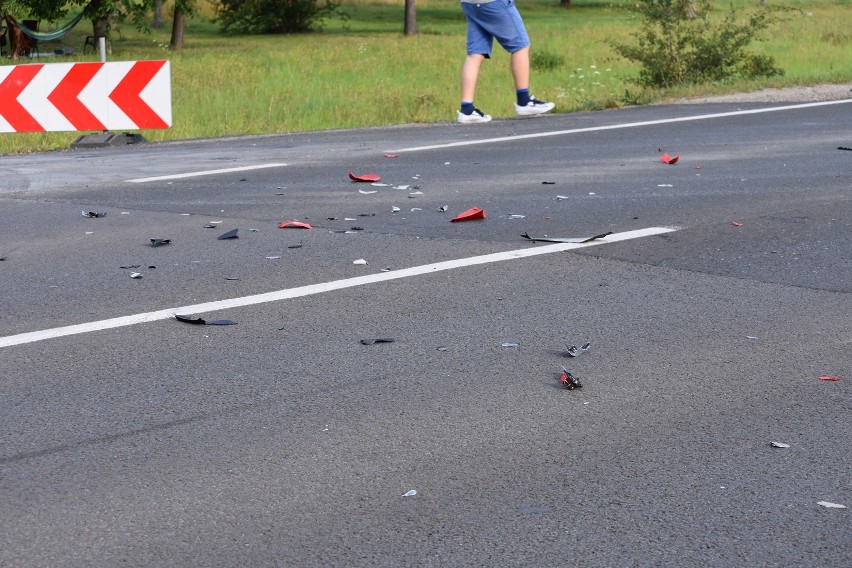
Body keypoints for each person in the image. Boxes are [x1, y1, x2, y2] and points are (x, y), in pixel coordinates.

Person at [458, 0, 555, 124]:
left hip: (469, 3)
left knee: (475, 55)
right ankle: (524, 101)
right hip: (494, 3)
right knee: (520, 46)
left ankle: (466, 109)